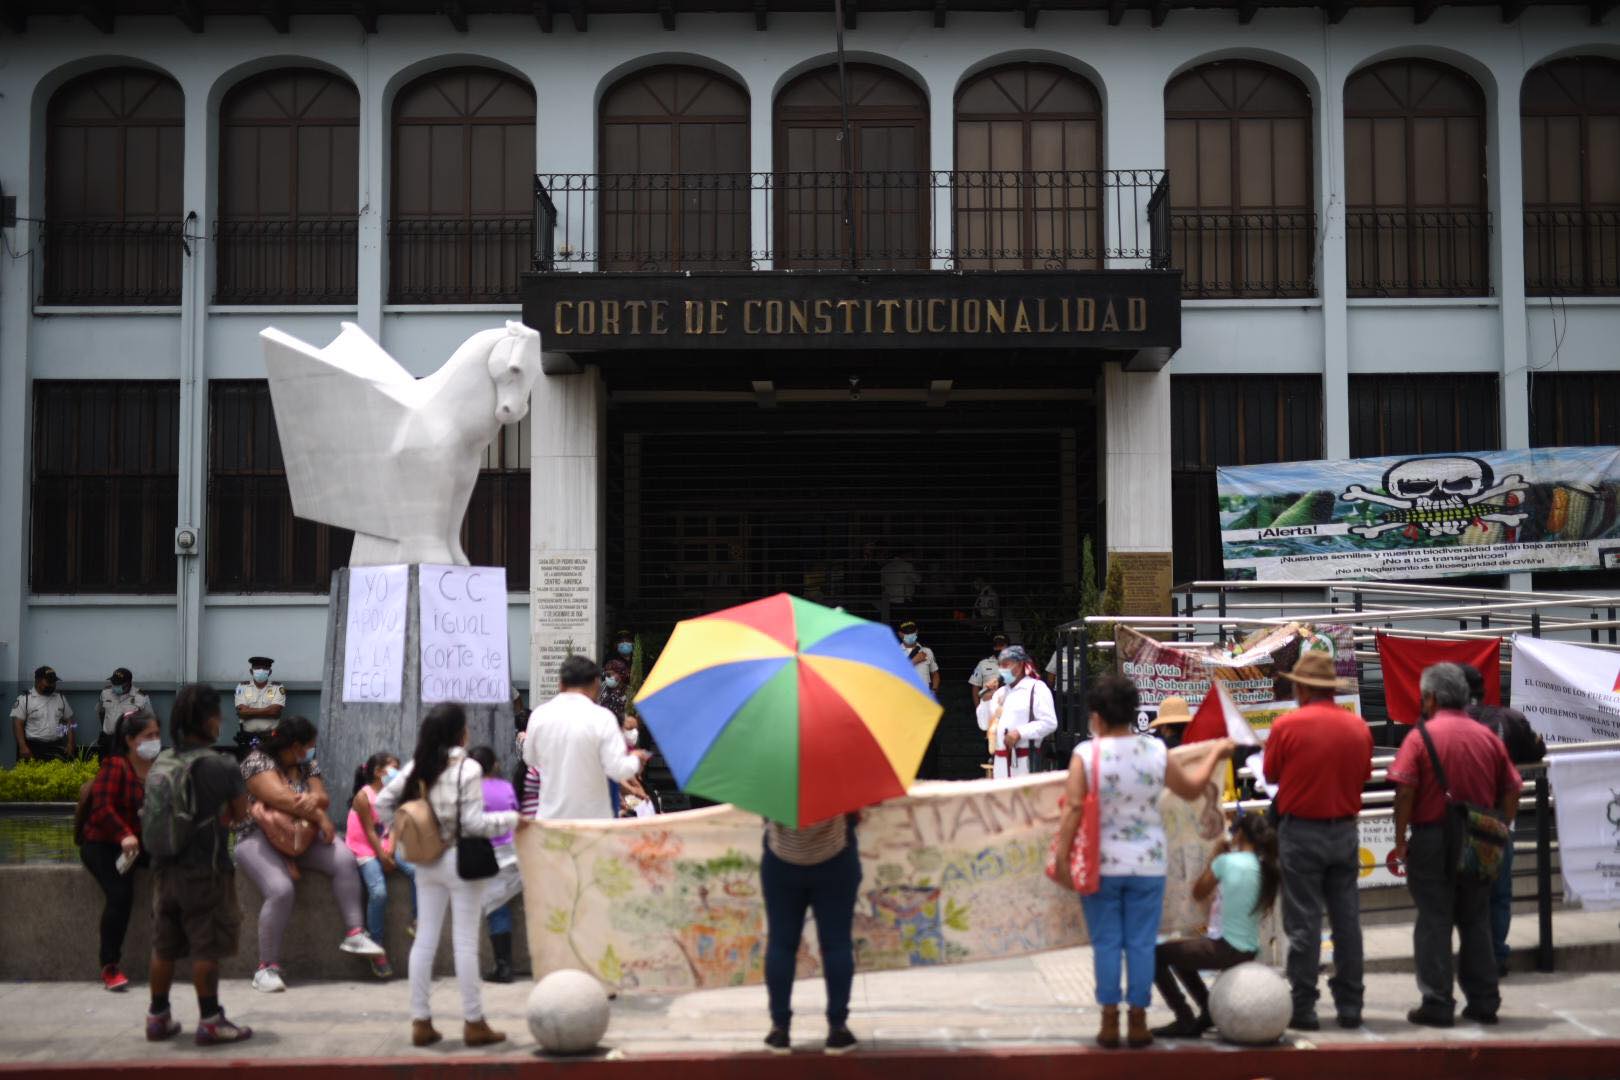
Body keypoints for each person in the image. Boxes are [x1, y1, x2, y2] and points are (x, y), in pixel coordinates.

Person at [1052, 674, 1234, 1049]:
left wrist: (1063, 858)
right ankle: (1138, 1021)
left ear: (1097, 717)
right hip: (1149, 864)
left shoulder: (1086, 755)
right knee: (1140, 943)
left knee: (1106, 944)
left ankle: (1108, 1020)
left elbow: (1072, 809)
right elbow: (1192, 788)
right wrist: (1216, 752)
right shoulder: (1155, 752)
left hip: (1101, 865)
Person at [374, 703, 522, 1048]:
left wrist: (405, 828)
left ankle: (421, 1021)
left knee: (424, 939)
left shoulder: (419, 765)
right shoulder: (467, 768)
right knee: (466, 943)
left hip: (426, 861)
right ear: (461, 731)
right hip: (461, 858)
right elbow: (473, 823)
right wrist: (512, 820)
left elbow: (383, 802)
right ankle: (474, 1022)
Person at [1389, 663, 1522, 1028]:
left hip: (1432, 837)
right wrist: (1502, 828)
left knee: (1434, 921)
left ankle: (1437, 1001)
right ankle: (1484, 1001)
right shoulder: (1487, 737)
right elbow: (1513, 787)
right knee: (1475, 920)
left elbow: (1405, 791)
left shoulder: (1420, 737)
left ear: (1431, 698)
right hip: (1480, 836)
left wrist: (1400, 840)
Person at [1261, 650, 1372, 1031]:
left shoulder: (1286, 727)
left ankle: (1304, 1005)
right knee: (1347, 921)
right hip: (1343, 830)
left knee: (1303, 922)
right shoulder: (1358, 728)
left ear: (1304, 688)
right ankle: (1351, 1005)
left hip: (1301, 832)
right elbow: (1363, 775)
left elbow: (1272, 773)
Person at [234, 716, 384, 993]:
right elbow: (282, 799)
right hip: (258, 836)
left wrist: (313, 803)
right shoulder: (256, 762)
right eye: (308, 746)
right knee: (280, 890)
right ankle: (266, 967)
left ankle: (354, 932)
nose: (311, 752)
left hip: (299, 836)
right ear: (293, 746)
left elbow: (322, 796)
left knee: (344, 859)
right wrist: (320, 816)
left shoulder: (307, 765)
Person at [145, 683, 253, 1045]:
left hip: (164, 869)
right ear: (208, 720)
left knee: (164, 946)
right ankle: (210, 1020)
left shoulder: (162, 760)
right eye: (217, 715)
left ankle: (157, 1016)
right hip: (204, 872)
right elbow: (242, 815)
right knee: (206, 947)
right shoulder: (220, 765)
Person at [1151, 812, 1281, 1038]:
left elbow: (1198, 892)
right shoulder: (1265, 867)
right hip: (1248, 949)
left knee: (1155, 955)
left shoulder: (1226, 861)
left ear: (1239, 834)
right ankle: (1207, 1009)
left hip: (1225, 948)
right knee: (1182, 952)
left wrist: (1214, 856)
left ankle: (1184, 1017)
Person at [1461, 663, 1544, 976]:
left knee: (1455, 900)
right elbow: (1537, 749)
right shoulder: (1509, 719)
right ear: (1484, 690)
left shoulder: (1439, 724)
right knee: (1498, 896)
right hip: (1497, 822)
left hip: (1453, 823)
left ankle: (1470, 958)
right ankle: (1494, 958)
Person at [760, 814, 862, 1056]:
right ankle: (837, 1029)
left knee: (781, 945)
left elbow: (763, 813)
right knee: (837, 945)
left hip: (781, 861)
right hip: (835, 860)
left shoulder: (772, 775)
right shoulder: (839, 774)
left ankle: (779, 1029)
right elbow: (856, 814)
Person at [80, 707, 161, 991]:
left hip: (138, 844)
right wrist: (124, 835)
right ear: (129, 739)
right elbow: (103, 809)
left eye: (157, 735)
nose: (155, 740)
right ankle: (110, 965)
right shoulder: (115, 766)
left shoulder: (157, 769)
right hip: (103, 844)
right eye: (148, 735)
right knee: (120, 894)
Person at [523, 656, 651, 821]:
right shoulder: (603, 718)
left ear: (561, 684)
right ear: (596, 684)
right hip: (592, 824)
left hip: (551, 821)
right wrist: (635, 759)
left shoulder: (539, 715)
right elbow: (617, 769)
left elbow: (530, 759)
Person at [348, 752, 417, 979]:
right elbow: (369, 830)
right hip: (365, 849)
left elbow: (394, 826)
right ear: (378, 772)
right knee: (378, 893)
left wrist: (391, 849)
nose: (397, 772)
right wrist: (382, 855)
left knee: (418, 871)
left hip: (386, 844)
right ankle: (376, 949)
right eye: (392, 768)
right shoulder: (363, 796)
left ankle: (417, 921)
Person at [469, 745, 522, 984]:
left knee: (495, 907)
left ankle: (503, 967)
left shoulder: (470, 790)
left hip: (488, 853)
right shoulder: (506, 787)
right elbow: (515, 814)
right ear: (495, 765)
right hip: (514, 853)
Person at [975, 645, 1056, 779]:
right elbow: (984, 724)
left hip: (1025, 761)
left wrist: (1020, 732)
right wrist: (985, 700)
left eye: (1006, 665)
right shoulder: (1000, 693)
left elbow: (1050, 722)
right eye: (1000, 666)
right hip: (1000, 763)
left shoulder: (1036, 688)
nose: (1002, 670)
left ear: (1019, 666)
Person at [11, 665, 76, 761]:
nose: (52, 685)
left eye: (54, 682)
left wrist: (71, 743)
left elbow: (70, 722)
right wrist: (22, 746)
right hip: (33, 747)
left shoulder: (60, 698)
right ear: (37, 681)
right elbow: (17, 724)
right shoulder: (25, 699)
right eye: (49, 682)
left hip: (57, 746)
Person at [97, 668, 154, 759]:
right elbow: (101, 712)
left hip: (129, 743)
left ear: (128, 683)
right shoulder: (105, 693)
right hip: (108, 741)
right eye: (113, 683)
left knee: (127, 770)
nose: (114, 686)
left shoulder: (141, 697)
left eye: (118, 684)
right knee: (105, 769)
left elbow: (149, 722)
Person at [233, 656, 285, 752]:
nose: (261, 671)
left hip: (270, 737)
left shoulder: (277, 687)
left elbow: (275, 711)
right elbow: (242, 712)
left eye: (265, 668)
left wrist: (249, 712)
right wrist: (268, 712)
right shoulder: (242, 687)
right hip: (248, 737)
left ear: (270, 672)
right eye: (257, 668)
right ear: (251, 671)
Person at [968, 634, 1009, 710]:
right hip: (989, 710)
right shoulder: (983, 664)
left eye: (1001, 645)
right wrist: (978, 709)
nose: (999, 648)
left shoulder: (1017, 664)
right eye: (996, 645)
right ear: (993, 647)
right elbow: (975, 687)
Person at [879, 551, 919, 625]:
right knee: (906, 625)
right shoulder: (907, 566)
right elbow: (918, 580)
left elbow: (883, 586)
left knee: (894, 624)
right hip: (904, 600)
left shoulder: (884, 568)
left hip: (890, 601)